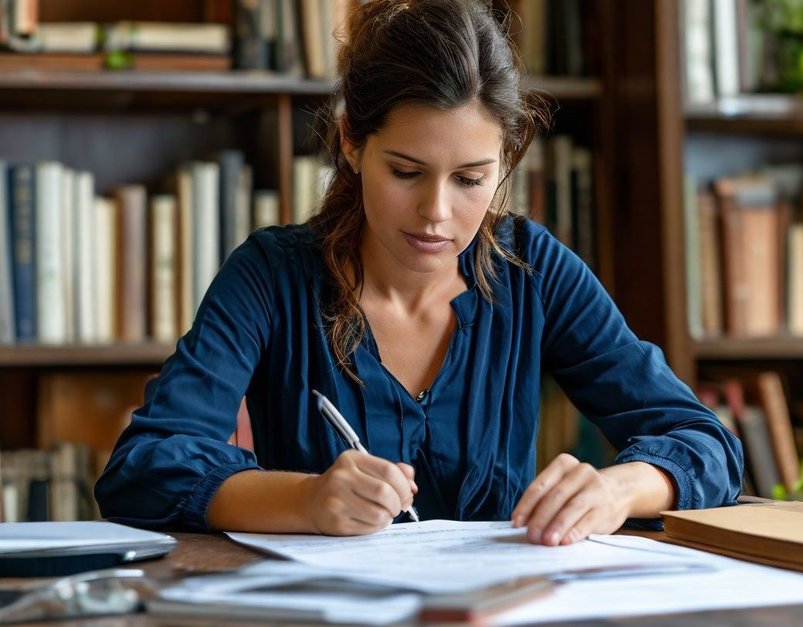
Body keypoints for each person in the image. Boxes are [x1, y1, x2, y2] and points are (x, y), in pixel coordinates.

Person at [95, 0, 743, 547]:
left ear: (506, 159)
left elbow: (704, 441)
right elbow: (144, 466)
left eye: (470, 179)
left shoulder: (533, 270)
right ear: (351, 141)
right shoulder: (271, 276)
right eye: (406, 171)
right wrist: (306, 499)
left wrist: (615, 488)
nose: (437, 213)